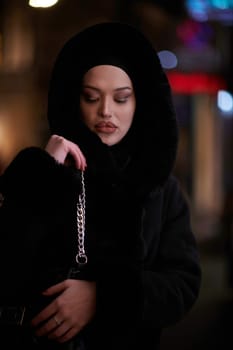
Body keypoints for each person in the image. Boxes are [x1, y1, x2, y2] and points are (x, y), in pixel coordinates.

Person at [0, 22, 201, 349]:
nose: (106, 111)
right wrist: (42, 175)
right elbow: (9, 262)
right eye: (91, 97)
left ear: (139, 103)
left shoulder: (161, 188)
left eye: (121, 98)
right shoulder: (48, 172)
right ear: (75, 101)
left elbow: (183, 283)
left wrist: (103, 297)